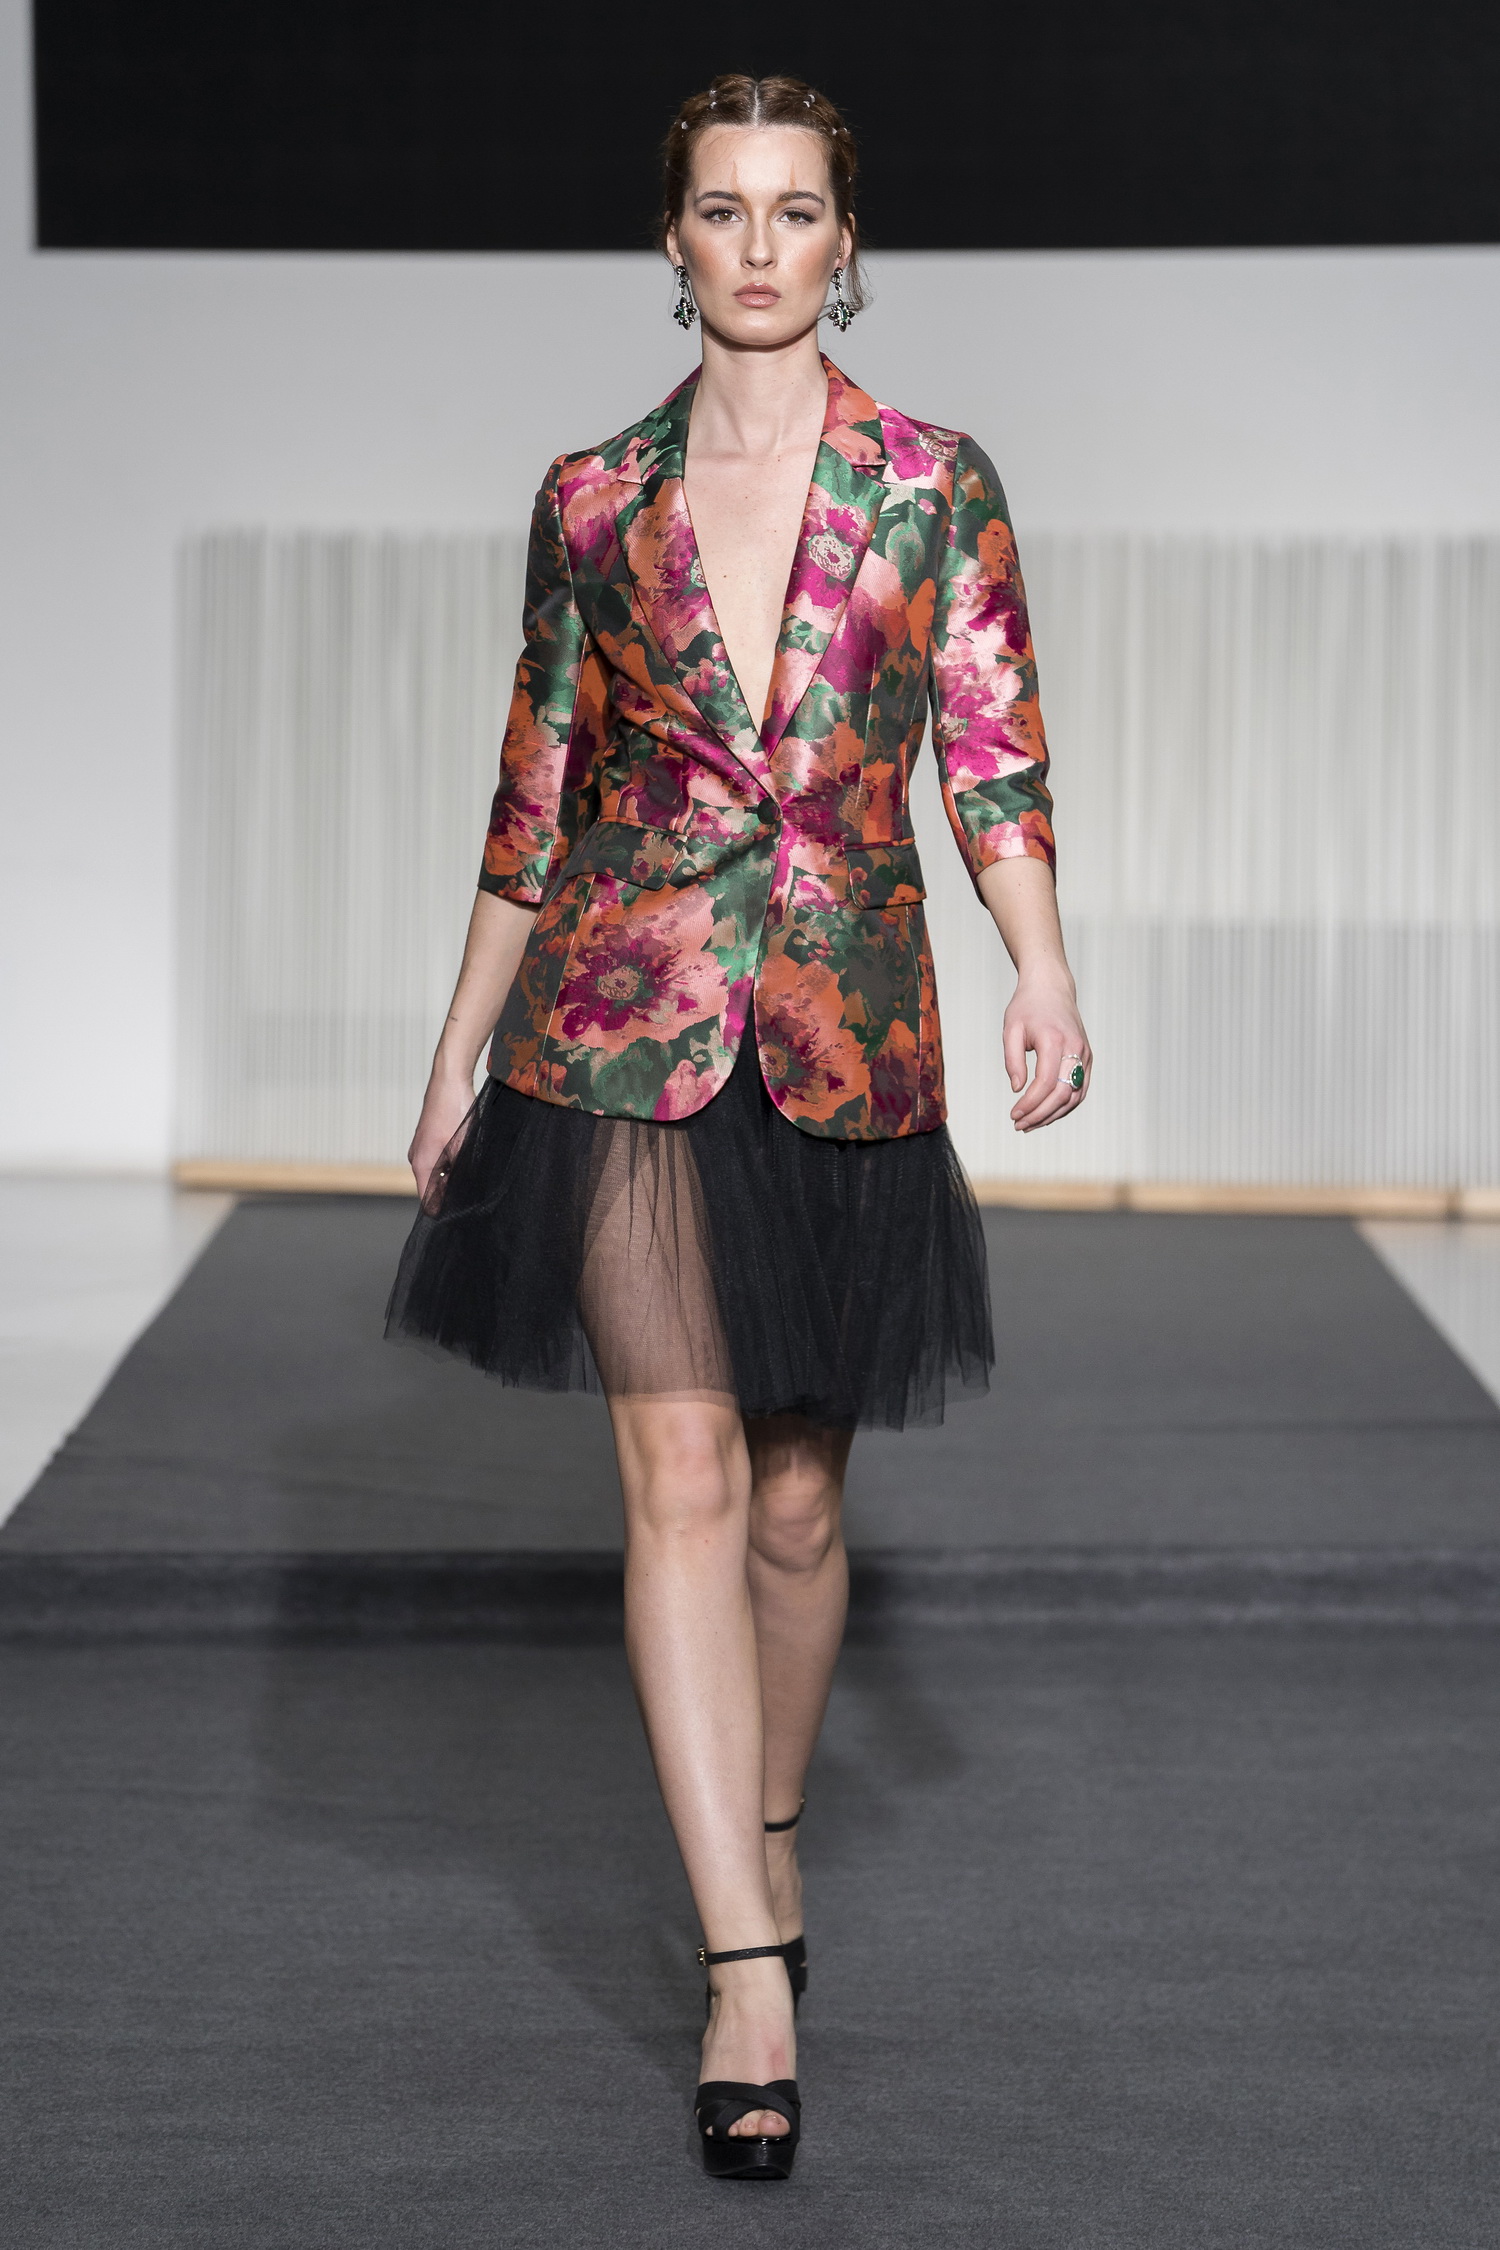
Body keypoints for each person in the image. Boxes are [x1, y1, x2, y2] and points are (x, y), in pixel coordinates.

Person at [387, 71, 1090, 2181]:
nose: (761, 244)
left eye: (796, 210)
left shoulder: (933, 482)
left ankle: (765, 1825)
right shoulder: (593, 497)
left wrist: (1042, 965)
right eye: (724, 207)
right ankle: (746, 1963)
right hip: (619, 1022)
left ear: (843, 244)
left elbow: (991, 746)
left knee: (794, 1505)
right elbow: (536, 783)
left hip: (848, 1021)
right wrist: (458, 1045)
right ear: (672, 239)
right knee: (681, 1471)